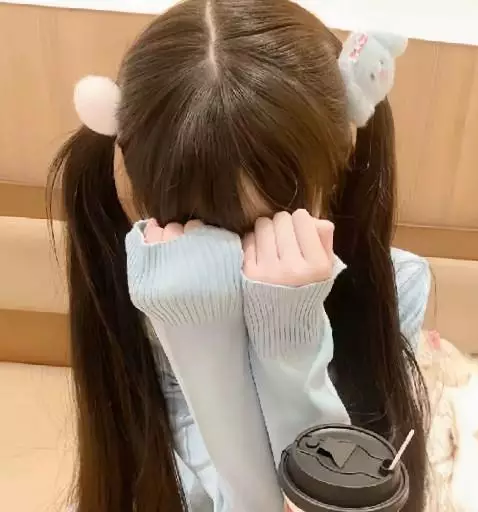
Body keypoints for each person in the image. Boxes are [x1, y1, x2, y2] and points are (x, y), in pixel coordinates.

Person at [48, 1, 430, 511]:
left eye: (268, 225)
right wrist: (198, 335)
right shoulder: (146, 291)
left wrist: (289, 343)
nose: (236, 260)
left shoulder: (398, 285)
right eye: (206, 233)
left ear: (339, 162)